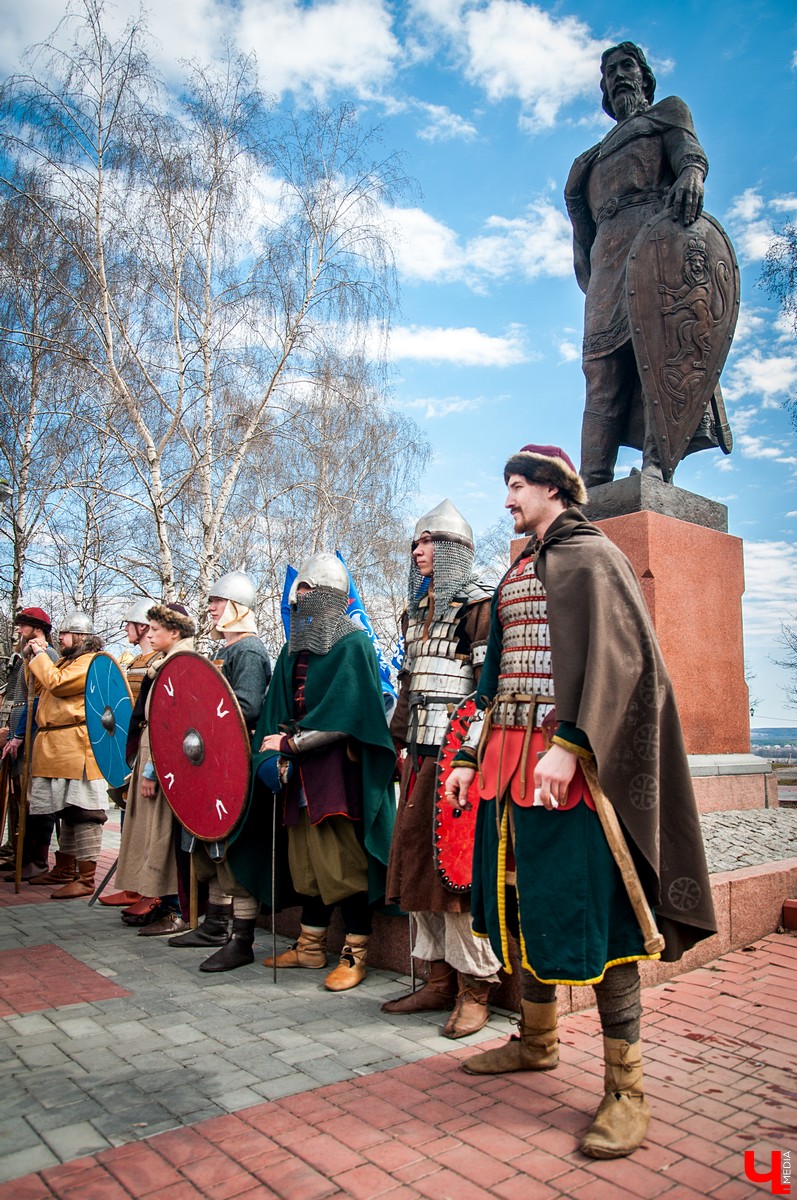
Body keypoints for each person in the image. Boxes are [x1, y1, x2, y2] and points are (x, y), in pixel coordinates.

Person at [446, 444, 716, 1159]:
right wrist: (468, 756)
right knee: (525, 900)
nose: (507, 499)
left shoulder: (593, 558)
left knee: (595, 912)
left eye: (515, 485)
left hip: (572, 771)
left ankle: (627, 1089)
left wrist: (570, 744)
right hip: (506, 765)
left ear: (552, 488)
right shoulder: (520, 566)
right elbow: (494, 675)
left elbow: (623, 661)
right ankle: (537, 1040)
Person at [564, 41, 730, 486]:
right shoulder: (591, 159)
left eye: (626, 66)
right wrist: (574, 197)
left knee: (660, 353)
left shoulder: (666, 114)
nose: (618, 75)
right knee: (600, 369)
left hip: (657, 249)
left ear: (644, 77)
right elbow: (584, 232)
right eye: (609, 72)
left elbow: (689, 155)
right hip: (607, 263)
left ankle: (659, 466)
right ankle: (593, 482)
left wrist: (692, 174)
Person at [382, 501, 502, 1037]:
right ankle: (438, 980)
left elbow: (486, 691)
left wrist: (470, 757)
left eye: (429, 541)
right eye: (415, 542)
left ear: (455, 549)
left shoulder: (478, 606)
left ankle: (477, 987)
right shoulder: (416, 611)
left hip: (457, 759)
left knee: (455, 876)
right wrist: (395, 745)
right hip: (419, 759)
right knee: (415, 867)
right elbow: (409, 687)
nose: (418, 550)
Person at [253, 552, 396, 991]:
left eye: (303, 590)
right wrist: (273, 750)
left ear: (325, 594)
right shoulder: (293, 646)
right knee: (307, 865)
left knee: (342, 866)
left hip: (335, 772)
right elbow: (280, 707)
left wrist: (291, 744)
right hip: (298, 773)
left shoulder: (353, 643)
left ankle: (355, 954)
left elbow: (351, 715)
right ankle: (311, 946)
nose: (296, 598)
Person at [168, 571, 273, 971]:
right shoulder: (224, 650)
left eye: (218, 600)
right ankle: (214, 925)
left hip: (233, 763)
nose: (210, 607)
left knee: (234, 851)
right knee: (210, 846)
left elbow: (246, 708)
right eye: (211, 600)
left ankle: (242, 939)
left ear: (237, 606)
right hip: (208, 761)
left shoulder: (248, 650)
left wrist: (199, 718)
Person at [114, 603, 196, 935]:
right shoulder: (166, 662)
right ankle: (162, 900)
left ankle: (176, 907)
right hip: (153, 749)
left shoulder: (181, 664)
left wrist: (152, 771)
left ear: (174, 632)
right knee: (152, 833)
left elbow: (176, 724)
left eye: (156, 629)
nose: (149, 635)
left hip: (163, 758)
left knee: (163, 834)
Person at [23, 610, 108, 899]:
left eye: (65, 633)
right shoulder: (64, 661)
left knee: (85, 812)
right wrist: (31, 659)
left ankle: (86, 878)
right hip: (57, 745)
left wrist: (40, 655)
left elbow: (58, 685)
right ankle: (64, 868)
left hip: (77, 745)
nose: (60, 638)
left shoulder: (90, 661)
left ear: (81, 637)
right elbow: (41, 685)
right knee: (67, 811)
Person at [98, 598, 157, 909]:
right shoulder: (134, 663)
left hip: (149, 745)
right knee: (128, 816)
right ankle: (132, 883)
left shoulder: (160, 661)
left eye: (129, 624)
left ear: (143, 627)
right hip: (129, 744)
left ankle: (147, 887)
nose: (125, 630)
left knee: (147, 822)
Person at [0, 609, 59, 881]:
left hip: (34, 734)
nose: (19, 630)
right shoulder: (26, 656)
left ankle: (37, 860)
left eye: (23, 625)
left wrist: (21, 734)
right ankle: (20, 854)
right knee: (20, 799)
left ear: (36, 628)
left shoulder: (48, 656)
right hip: (21, 733)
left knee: (36, 800)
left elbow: (40, 700)